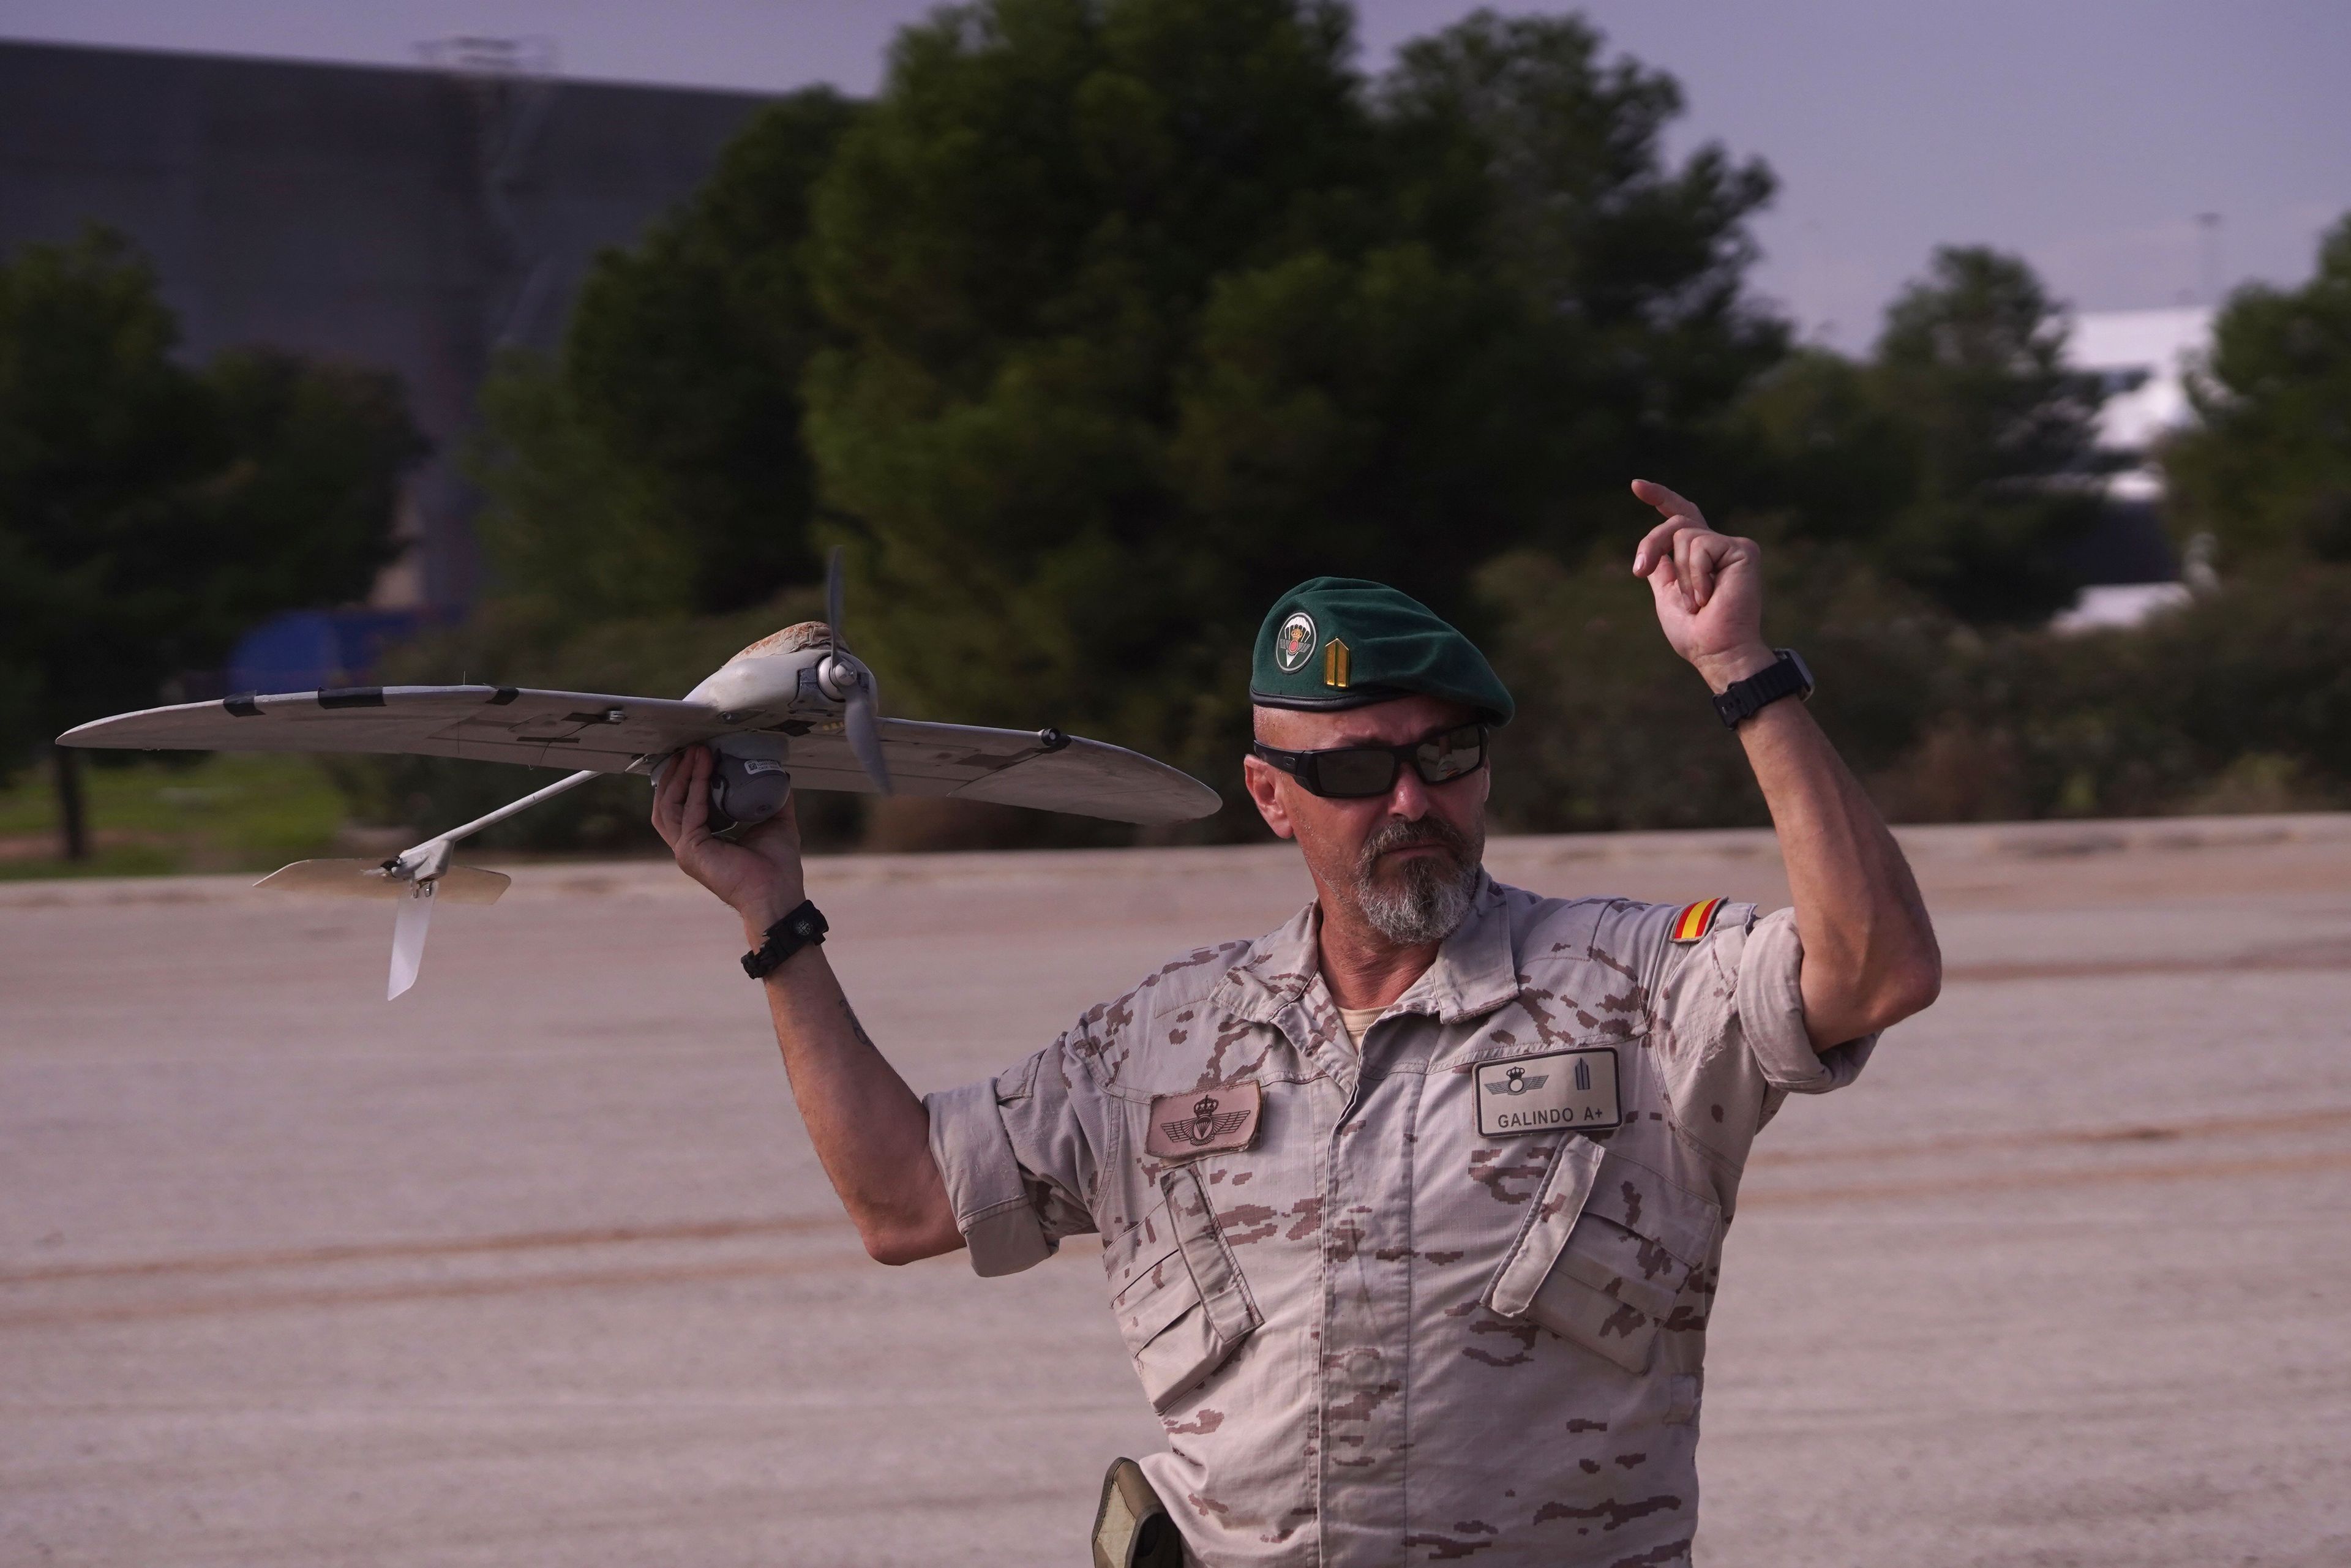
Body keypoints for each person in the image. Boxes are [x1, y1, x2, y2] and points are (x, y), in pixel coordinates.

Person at [651, 479, 1941, 1568]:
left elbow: (1875, 971)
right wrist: (777, 917)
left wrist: (1743, 674)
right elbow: (905, 1201)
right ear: (1273, 795)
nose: (1407, 800)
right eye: (1350, 771)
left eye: (1444, 758)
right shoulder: (1165, 1039)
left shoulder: (1636, 987)